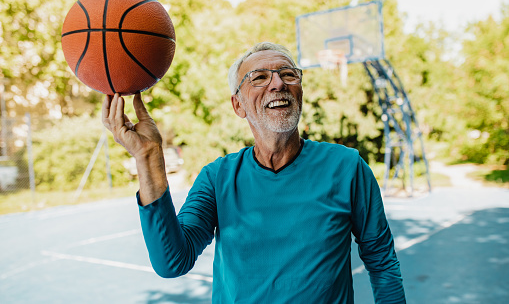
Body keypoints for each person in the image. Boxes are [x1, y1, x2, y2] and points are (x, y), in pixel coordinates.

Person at [102, 42, 406, 303]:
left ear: (300, 91)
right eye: (258, 77)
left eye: (289, 74)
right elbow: (172, 261)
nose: (278, 84)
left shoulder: (347, 167)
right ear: (238, 105)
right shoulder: (217, 178)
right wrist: (149, 158)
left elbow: (382, 262)